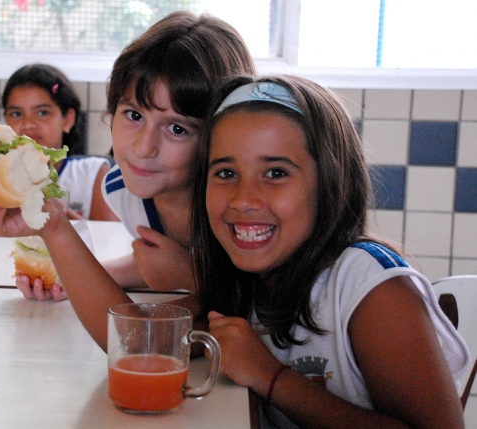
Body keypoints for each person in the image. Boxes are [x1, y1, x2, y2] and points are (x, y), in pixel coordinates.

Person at [188, 74, 470, 428]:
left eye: (275, 172)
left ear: (330, 183)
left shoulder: (370, 287)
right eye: (226, 172)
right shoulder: (248, 278)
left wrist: (271, 378)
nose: (244, 199)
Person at [0, 12, 254, 327]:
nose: (143, 147)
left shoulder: (243, 207)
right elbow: (154, 262)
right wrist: (70, 274)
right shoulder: (126, 191)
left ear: (221, 134)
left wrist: (188, 276)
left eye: (177, 128)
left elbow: (267, 299)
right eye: (134, 115)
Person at [2, 63, 117, 222]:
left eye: (42, 112)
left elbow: (110, 238)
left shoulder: (93, 173)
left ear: (67, 120)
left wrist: (49, 205)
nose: (28, 124)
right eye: (16, 113)